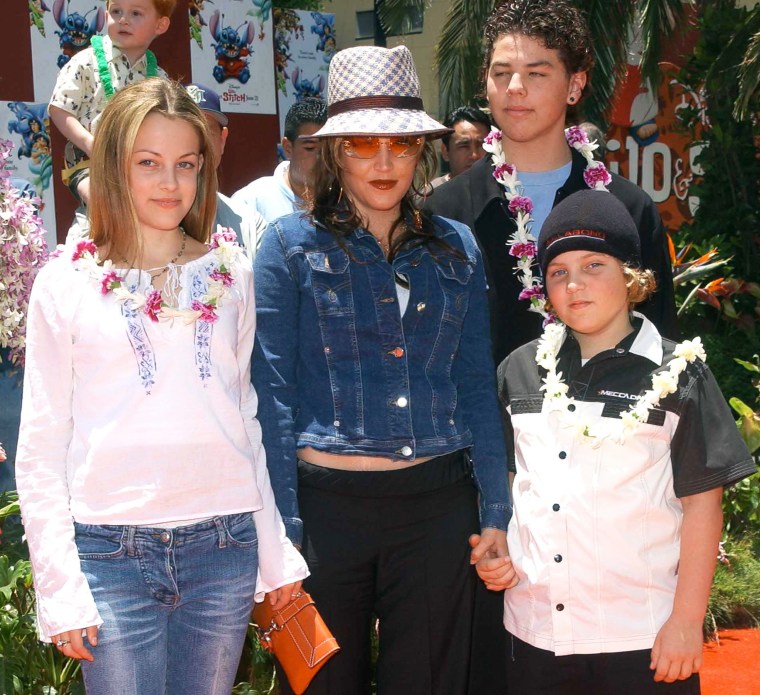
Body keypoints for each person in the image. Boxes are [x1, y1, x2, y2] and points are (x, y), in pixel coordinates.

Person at [16, 79, 308, 695]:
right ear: (113, 167)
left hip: (224, 545)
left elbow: (246, 418)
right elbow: (42, 447)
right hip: (108, 553)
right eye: (147, 163)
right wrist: (60, 588)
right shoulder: (62, 285)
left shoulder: (233, 274)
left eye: (186, 164)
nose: (169, 184)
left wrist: (274, 554)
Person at [252, 45, 510, 694]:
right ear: (337, 152)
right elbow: (273, 398)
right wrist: (282, 535)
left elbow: (476, 384)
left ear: (420, 148)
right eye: (364, 144)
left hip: (436, 506)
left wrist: (496, 511)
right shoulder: (287, 247)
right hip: (326, 512)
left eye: (400, 143)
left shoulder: (458, 246)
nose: (385, 161)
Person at [479, 189, 756, 694]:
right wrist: (494, 543)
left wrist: (686, 622)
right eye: (558, 272)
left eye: (593, 266)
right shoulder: (518, 370)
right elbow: (507, 483)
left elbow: (701, 506)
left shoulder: (680, 374)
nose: (574, 284)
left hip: (642, 636)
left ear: (632, 278)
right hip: (536, 633)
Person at [426, 0, 678, 367]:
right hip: (481, 422)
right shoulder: (444, 212)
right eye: (501, 72)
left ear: (574, 85)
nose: (514, 88)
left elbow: (660, 343)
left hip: (609, 421)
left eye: (536, 73)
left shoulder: (628, 208)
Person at [49, 0, 174, 239]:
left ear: (160, 25)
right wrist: (90, 143)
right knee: (102, 204)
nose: (123, 19)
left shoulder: (159, 79)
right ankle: (81, 257)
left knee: (148, 217)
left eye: (135, 13)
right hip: (90, 165)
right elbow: (59, 109)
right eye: (116, 12)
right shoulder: (86, 61)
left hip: (138, 171)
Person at [185, 82, 267, 257]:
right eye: (186, 133)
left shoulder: (250, 224)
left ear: (222, 140)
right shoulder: (148, 220)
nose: (198, 145)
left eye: (207, 132)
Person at [232, 97, 327, 223]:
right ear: (288, 148)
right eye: (310, 148)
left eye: (328, 149)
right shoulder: (250, 202)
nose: (322, 158)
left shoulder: (348, 200)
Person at [429, 105, 491, 189]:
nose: (474, 155)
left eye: (481, 145)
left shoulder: (505, 192)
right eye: (464, 146)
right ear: (445, 152)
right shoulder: (429, 196)